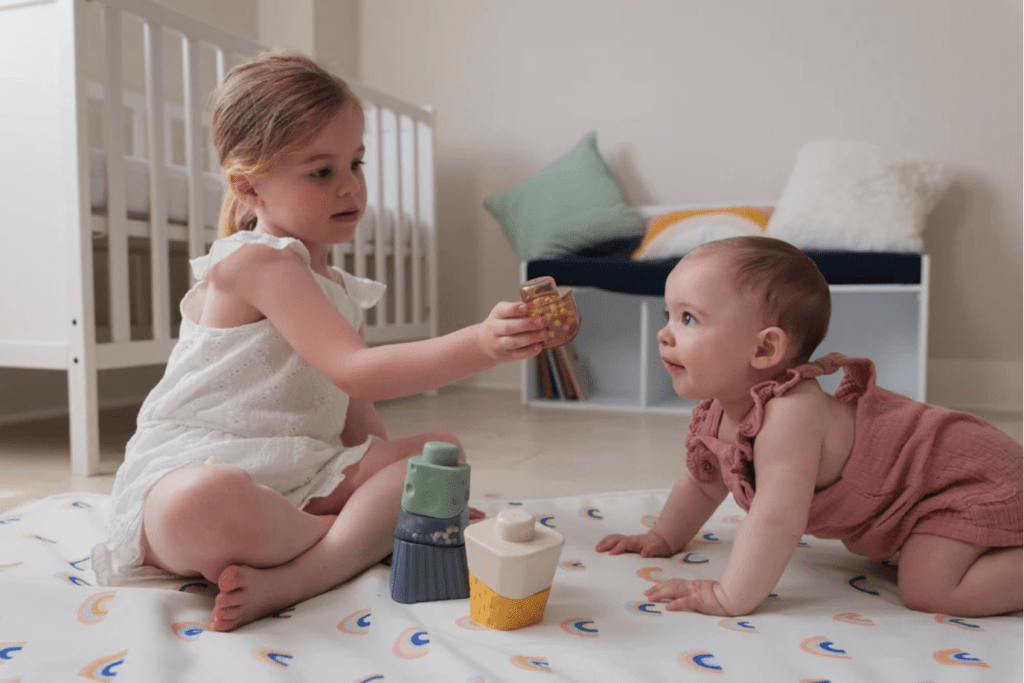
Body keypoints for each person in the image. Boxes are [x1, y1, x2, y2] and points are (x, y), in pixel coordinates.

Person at [91, 50, 548, 632]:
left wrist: (406, 484)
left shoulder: (338, 288)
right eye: (321, 171)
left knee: (438, 452)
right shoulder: (257, 263)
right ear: (248, 187)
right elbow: (358, 370)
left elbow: (357, 424)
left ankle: (301, 568)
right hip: (206, 468)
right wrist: (480, 345)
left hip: (304, 473)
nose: (349, 186)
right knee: (200, 503)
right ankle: (341, 548)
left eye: (355, 163)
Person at [596, 235, 1022, 618]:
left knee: (929, 587)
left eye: (688, 319)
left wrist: (730, 595)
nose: (663, 334)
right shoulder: (720, 410)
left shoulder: (790, 413)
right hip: (920, 497)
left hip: (965, 482)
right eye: (668, 314)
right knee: (915, 564)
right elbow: (705, 480)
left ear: (764, 348)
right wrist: (664, 536)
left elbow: (777, 520)